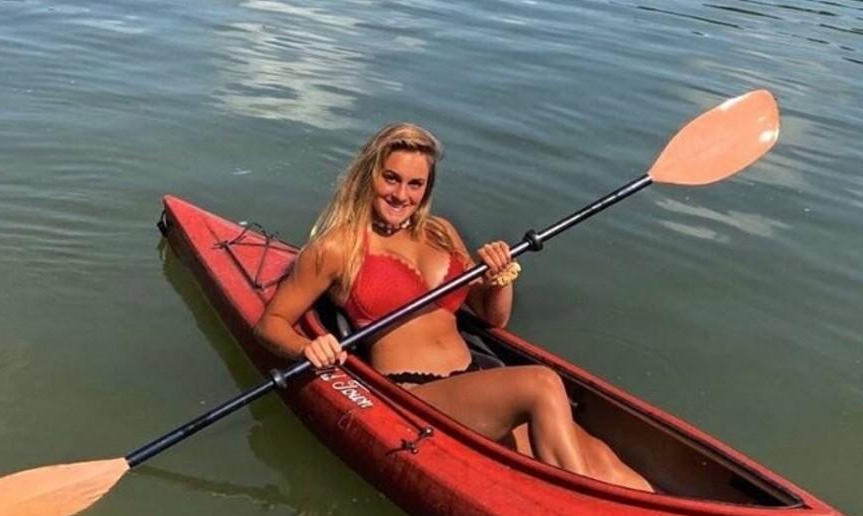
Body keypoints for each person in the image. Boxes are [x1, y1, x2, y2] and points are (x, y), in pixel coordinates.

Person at [256, 123, 653, 491]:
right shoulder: (336, 248)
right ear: (369, 175)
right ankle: (581, 507)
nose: (401, 195)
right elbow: (271, 322)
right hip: (413, 396)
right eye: (391, 178)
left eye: (415, 184)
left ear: (427, 188)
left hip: (472, 380)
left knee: (601, 459)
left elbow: (492, 317)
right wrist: (307, 347)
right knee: (542, 383)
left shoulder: (440, 231)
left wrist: (499, 279)